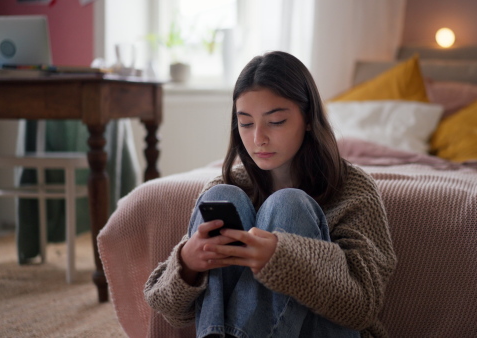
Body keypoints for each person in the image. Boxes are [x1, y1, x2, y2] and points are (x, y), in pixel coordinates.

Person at [144, 51, 397, 338]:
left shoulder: (353, 187)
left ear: (309, 119)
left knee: (289, 204)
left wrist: (284, 259)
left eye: (276, 122)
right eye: (246, 123)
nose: (258, 138)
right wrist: (188, 264)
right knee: (222, 195)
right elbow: (171, 310)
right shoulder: (229, 186)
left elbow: (363, 306)